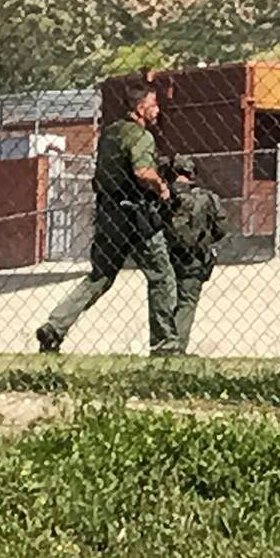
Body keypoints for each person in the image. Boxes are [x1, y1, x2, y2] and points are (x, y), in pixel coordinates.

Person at [35, 82, 182, 356]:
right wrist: (161, 186)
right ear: (141, 108)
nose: (158, 110)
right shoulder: (141, 136)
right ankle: (165, 343)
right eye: (154, 105)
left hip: (108, 214)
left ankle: (55, 326)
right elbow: (142, 172)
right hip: (137, 217)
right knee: (161, 275)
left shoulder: (110, 134)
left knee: (100, 276)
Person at [160, 154, 228, 355]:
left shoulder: (163, 195)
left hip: (166, 255)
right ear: (192, 173)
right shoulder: (207, 198)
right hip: (195, 257)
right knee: (187, 302)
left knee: (163, 300)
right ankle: (176, 347)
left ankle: (162, 343)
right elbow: (221, 227)